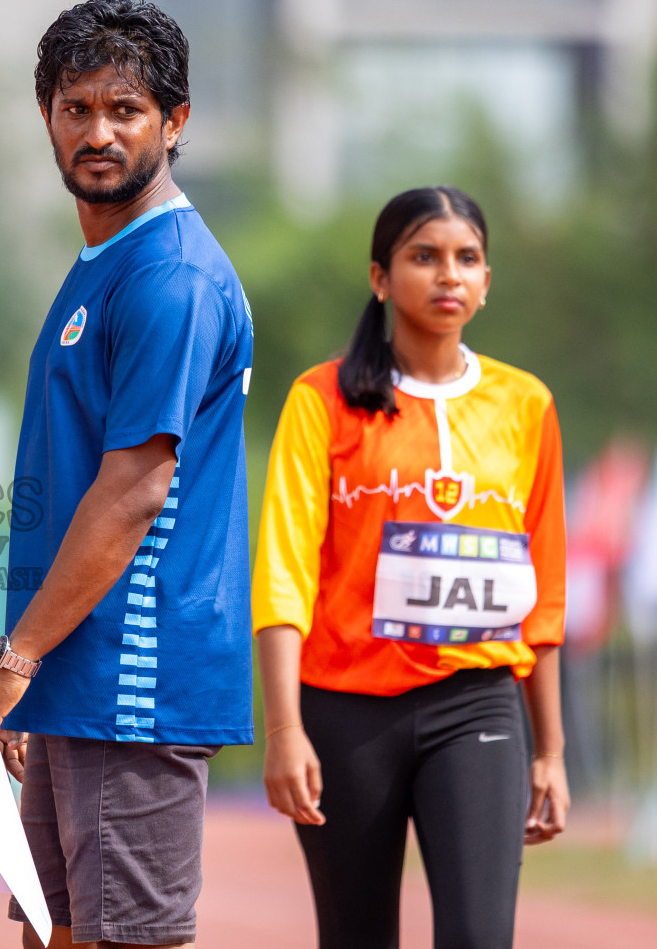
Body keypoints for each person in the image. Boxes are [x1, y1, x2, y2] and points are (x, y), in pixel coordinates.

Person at [0, 0, 255, 949]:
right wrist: (35, 672)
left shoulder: (170, 276)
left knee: (127, 939)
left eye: (125, 109)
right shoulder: (103, 264)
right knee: (60, 933)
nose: (99, 131)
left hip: (136, 671)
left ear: (176, 123)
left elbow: (133, 490)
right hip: (79, 674)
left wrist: (14, 664)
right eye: (76, 106)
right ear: (45, 114)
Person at [253, 186, 568, 949]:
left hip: (479, 704)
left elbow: (545, 589)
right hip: (345, 712)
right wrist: (285, 728)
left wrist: (552, 750)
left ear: (487, 281)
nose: (447, 275)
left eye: (466, 259)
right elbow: (283, 570)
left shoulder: (526, 406)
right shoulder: (321, 399)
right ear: (380, 277)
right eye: (424, 257)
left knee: (479, 937)